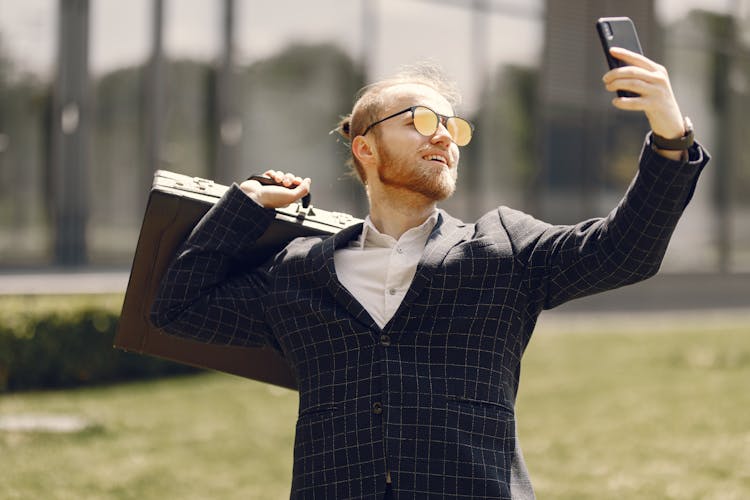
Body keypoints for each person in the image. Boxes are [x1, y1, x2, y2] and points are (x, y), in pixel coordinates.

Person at [151, 47, 709, 499]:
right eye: (421, 120)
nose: (444, 135)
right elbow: (178, 305)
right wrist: (244, 204)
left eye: (453, 127)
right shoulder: (298, 273)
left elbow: (625, 251)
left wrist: (669, 138)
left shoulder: (504, 249)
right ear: (365, 148)